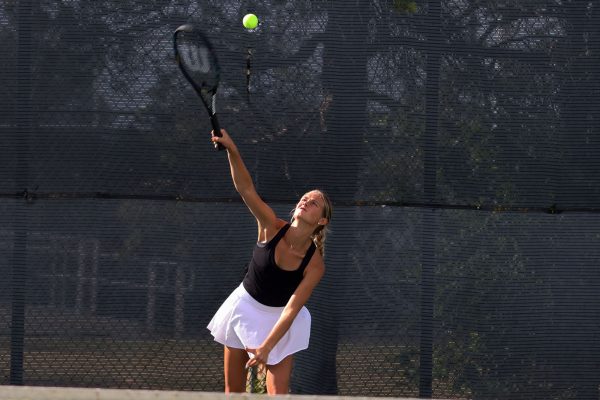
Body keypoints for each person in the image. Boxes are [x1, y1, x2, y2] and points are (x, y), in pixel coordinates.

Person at [206, 129, 332, 394]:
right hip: (244, 307)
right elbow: (246, 189)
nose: (306, 200)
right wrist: (232, 149)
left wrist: (266, 347)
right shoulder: (270, 226)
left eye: (315, 202)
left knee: (279, 391)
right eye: (305, 197)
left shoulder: (315, 264)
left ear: (322, 221)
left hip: (281, 320)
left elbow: (291, 309)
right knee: (234, 391)